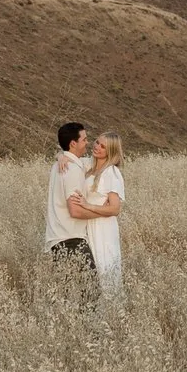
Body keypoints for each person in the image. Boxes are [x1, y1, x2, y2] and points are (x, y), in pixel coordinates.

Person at [42, 121, 96, 286]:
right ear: (73, 143)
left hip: (60, 239)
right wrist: (103, 212)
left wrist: (60, 154)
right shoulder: (71, 169)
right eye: (84, 139)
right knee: (90, 292)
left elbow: (95, 161)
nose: (87, 143)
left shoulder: (62, 164)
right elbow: (75, 211)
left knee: (69, 294)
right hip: (71, 240)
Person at [80, 132, 126, 301]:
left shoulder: (111, 172)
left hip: (103, 228)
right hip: (88, 225)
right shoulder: (89, 165)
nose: (97, 147)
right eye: (97, 142)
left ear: (110, 151)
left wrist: (88, 205)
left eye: (103, 146)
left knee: (104, 269)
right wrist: (61, 157)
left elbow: (115, 208)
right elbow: (67, 157)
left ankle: (110, 311)